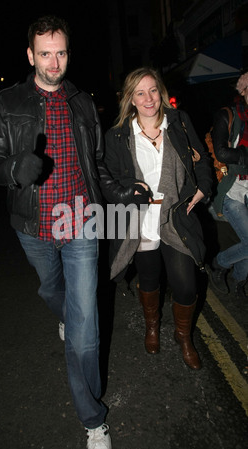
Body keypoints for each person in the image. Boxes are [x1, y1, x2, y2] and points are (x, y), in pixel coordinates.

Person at [0, 15, 111, 449]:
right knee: (50, 288)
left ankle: (93, 419)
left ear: (68, 53)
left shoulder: (82, 102)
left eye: (61, 53)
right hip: (33, 225)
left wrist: (120, 190)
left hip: (82, 221)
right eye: (45, 54)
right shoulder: (8, 101)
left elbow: (96, 161)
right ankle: (66, 315)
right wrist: (16, 168)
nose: (54, 63)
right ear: (30, 55)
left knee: (85, 323)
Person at [100, 67, 212, 370]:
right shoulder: (117, 135)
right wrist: (126, 195)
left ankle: (183, 336)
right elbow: (108, 179)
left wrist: (202, 190)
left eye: (152, 90)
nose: (148, 98)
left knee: (186, 285)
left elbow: (201, 160)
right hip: (141, 221)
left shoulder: (178, 122)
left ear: (160, 92)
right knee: (149, 279)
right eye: (140, 92)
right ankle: (152, 326)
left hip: (174, 217)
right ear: (131, 99)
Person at [207, 72, 248, 300]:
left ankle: (240, 280)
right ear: (243, 91)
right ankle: (219, 264)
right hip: (232, 189)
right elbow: (221, 151)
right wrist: (245, 155)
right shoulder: (228, 115)